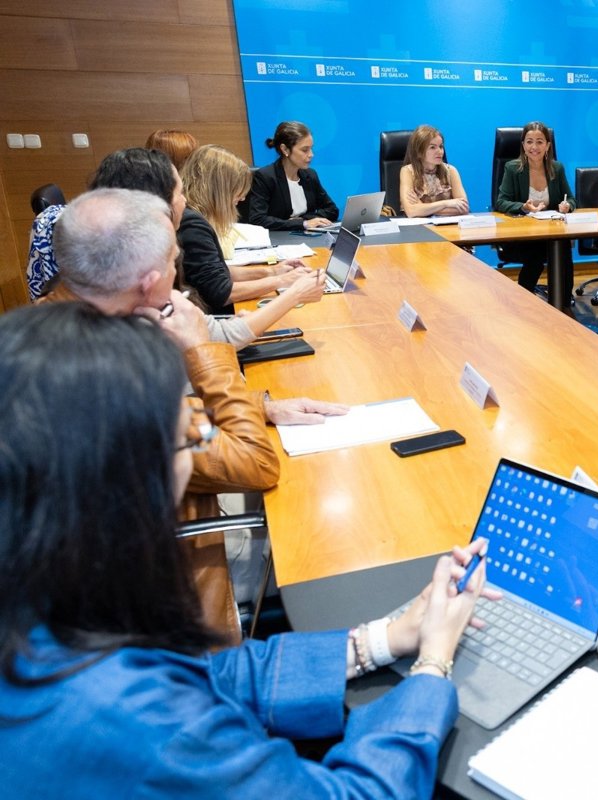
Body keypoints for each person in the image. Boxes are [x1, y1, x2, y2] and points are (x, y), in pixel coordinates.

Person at [0, 301, 496, 796]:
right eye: (188, 437)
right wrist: (433, 667)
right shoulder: (140, 721)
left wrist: (383, 639)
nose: (200, 443)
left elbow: (209, 676)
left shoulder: (42, 600)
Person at [45, 188, 347, 638]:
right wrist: (203, 352)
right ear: (150, 281)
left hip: (152, 524)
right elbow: (255, 464)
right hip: (174, 566)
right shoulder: (98, 375)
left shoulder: (64, 328)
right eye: (174, 261)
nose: (179, 272)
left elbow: (174, 418)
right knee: (326, 519)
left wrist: (262, 406)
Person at [27, 147, 323, 346]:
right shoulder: (130, 315)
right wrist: (291, 290)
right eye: (170, 261)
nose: (184, 200)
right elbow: (217, 336)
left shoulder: (103, 293)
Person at [180, 144, 314, 314]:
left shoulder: (193, 219)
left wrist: (273, 271)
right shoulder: (193, 226)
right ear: (220, 189)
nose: (242, 198)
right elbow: (221, 292)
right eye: (237, 190)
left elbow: (218, 272)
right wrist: (281, 281)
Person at [495, 121, 576, 292]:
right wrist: (523, 207)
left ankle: (564, 298)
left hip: (550, 232)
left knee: (562, 247)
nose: (534, 147)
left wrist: (567, 205)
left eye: (539, 142)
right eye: (529, 141)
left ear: (548, 146)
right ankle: (524, 298)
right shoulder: (512, 169)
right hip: (523, 235)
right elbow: (501, 202)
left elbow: (572, 199)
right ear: (523, 145)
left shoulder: (557, 168)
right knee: (537, 253)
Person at [245, 121, 340, 231]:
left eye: (311, 148)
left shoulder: (310, 175)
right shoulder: (265, 176)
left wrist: (304, 220)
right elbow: (257, 219)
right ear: (285, 149)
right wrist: (302, 224)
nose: (311, 154)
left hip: (308, 236)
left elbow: (332, 210)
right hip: (280, 238)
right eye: (305, 150)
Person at [398, 124, 470, 218]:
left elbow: (464, 208)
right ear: (419, 152)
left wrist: (422, 208)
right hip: (419, 226)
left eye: (441, 146)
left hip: (449, 225)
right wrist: (446, 203)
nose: (440, 152)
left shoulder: (451, 171)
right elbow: (411, 211)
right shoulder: (407, 172)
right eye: (432, 147)